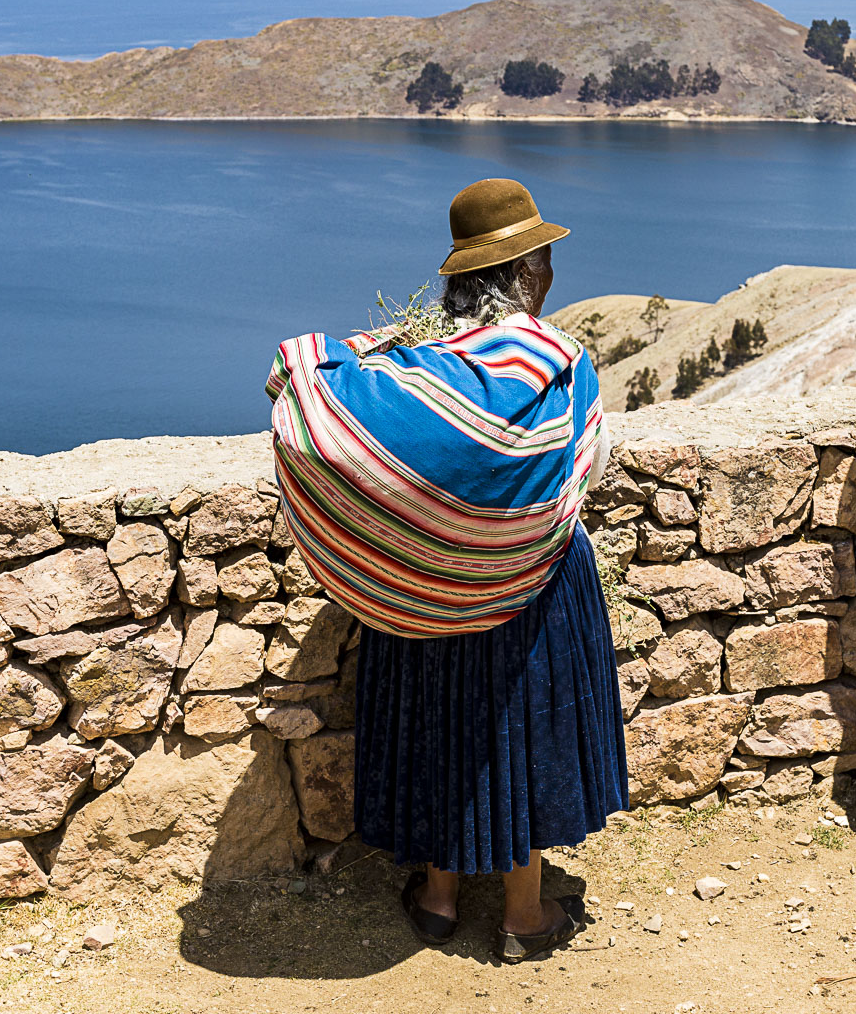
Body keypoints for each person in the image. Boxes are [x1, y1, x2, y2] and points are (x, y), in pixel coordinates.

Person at [266, 178, 627, 962]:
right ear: (530, 273)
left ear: (458, 283)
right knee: (521, 735)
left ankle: (437, 899)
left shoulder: (413, 373)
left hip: (421, 596)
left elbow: (318, 398)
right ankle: (524, 919)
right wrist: (505, 540)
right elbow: (584, 466)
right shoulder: (562, 365)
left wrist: (445, 551)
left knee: (441, 733)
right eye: (546, 260)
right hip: (537, 589)